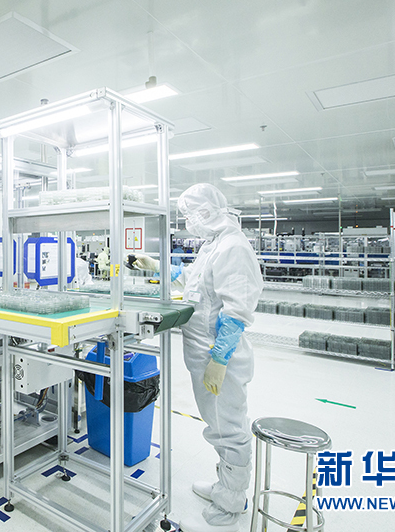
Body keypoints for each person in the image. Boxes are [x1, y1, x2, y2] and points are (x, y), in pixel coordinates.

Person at [133, 183, 262, 532]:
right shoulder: (213, 245)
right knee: (216, 425)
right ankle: (225, 487)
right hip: (202, 352)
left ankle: (231, 505)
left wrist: (220, 360)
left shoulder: (233, 247)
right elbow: (193, 283)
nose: (188, 223)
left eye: (190, 215)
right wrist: (155, 265)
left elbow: (237, 310)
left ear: (205, 212)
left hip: (220, 357)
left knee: (229, 429)